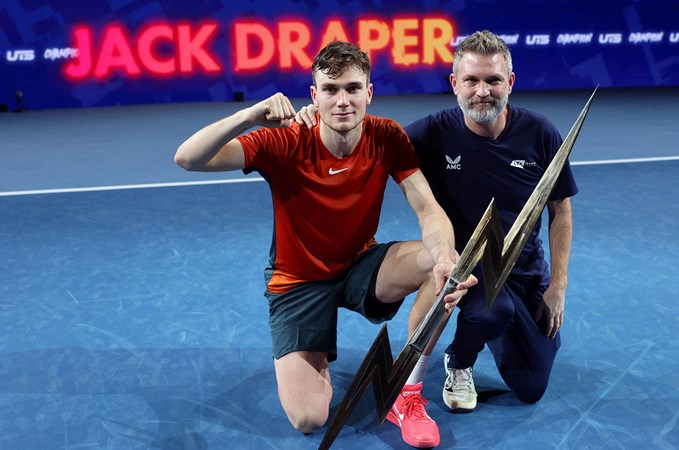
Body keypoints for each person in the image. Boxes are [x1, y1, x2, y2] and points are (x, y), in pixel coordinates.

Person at [174, 40, 475, 449]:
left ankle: (407, 392)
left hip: (359, 264)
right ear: (314, 96)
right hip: (297, 281)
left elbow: (427, 207)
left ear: (369, 92)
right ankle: (308, 349)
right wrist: (249, 114)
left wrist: (443, 255)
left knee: (441, 268)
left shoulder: (386, 136)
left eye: (353, 88)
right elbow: (187, 158)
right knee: (308, 418)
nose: (343, 100)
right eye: (331, 90)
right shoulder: (285, 141)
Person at [296, 30, 576, 421]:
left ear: (510, 83)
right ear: (454, 84)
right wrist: (319, 117)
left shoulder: (541, 133)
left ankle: (500, 328)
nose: (482, 91)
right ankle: (459, 361)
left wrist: (558, 286)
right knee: (491, 313)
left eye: (493, 80)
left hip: (525, 272)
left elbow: (560, 209)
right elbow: (365, 143)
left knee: (531, 387)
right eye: (471, 80)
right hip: (466, 269)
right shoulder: (429, 134)